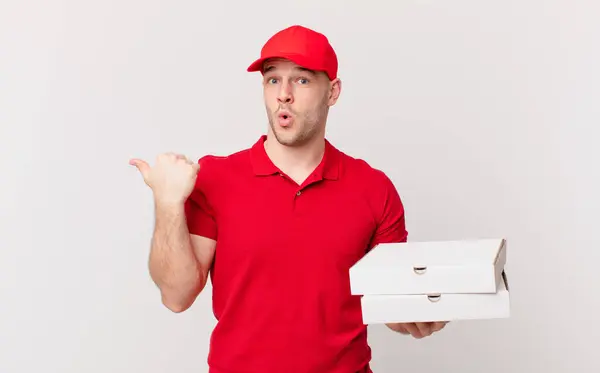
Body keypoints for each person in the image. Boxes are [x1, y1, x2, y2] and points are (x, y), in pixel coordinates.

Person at [130, 25, 447, 373]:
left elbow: (391, 305)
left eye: (302, 80)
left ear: (333, 92)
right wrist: (167, 202)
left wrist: (418, 316)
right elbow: (176, 297)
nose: (284, 94)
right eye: (272, 79)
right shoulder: (215, 179)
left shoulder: (373, 188)